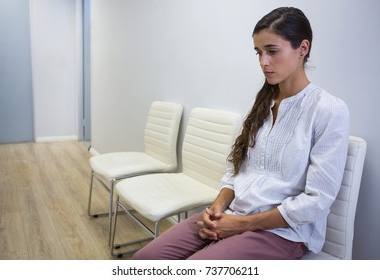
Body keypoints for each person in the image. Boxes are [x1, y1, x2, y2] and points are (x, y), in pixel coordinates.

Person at [133, 7, 350, 260]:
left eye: (272, 51)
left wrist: (241, 225)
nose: (263, 62)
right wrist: (217, 208)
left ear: (302, 48)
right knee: (145, 260)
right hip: (233, 215)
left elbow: (317, 200)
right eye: (259, 53)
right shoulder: (258, 106)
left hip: (284, 233)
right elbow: (235, 172)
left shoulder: (329, 110)